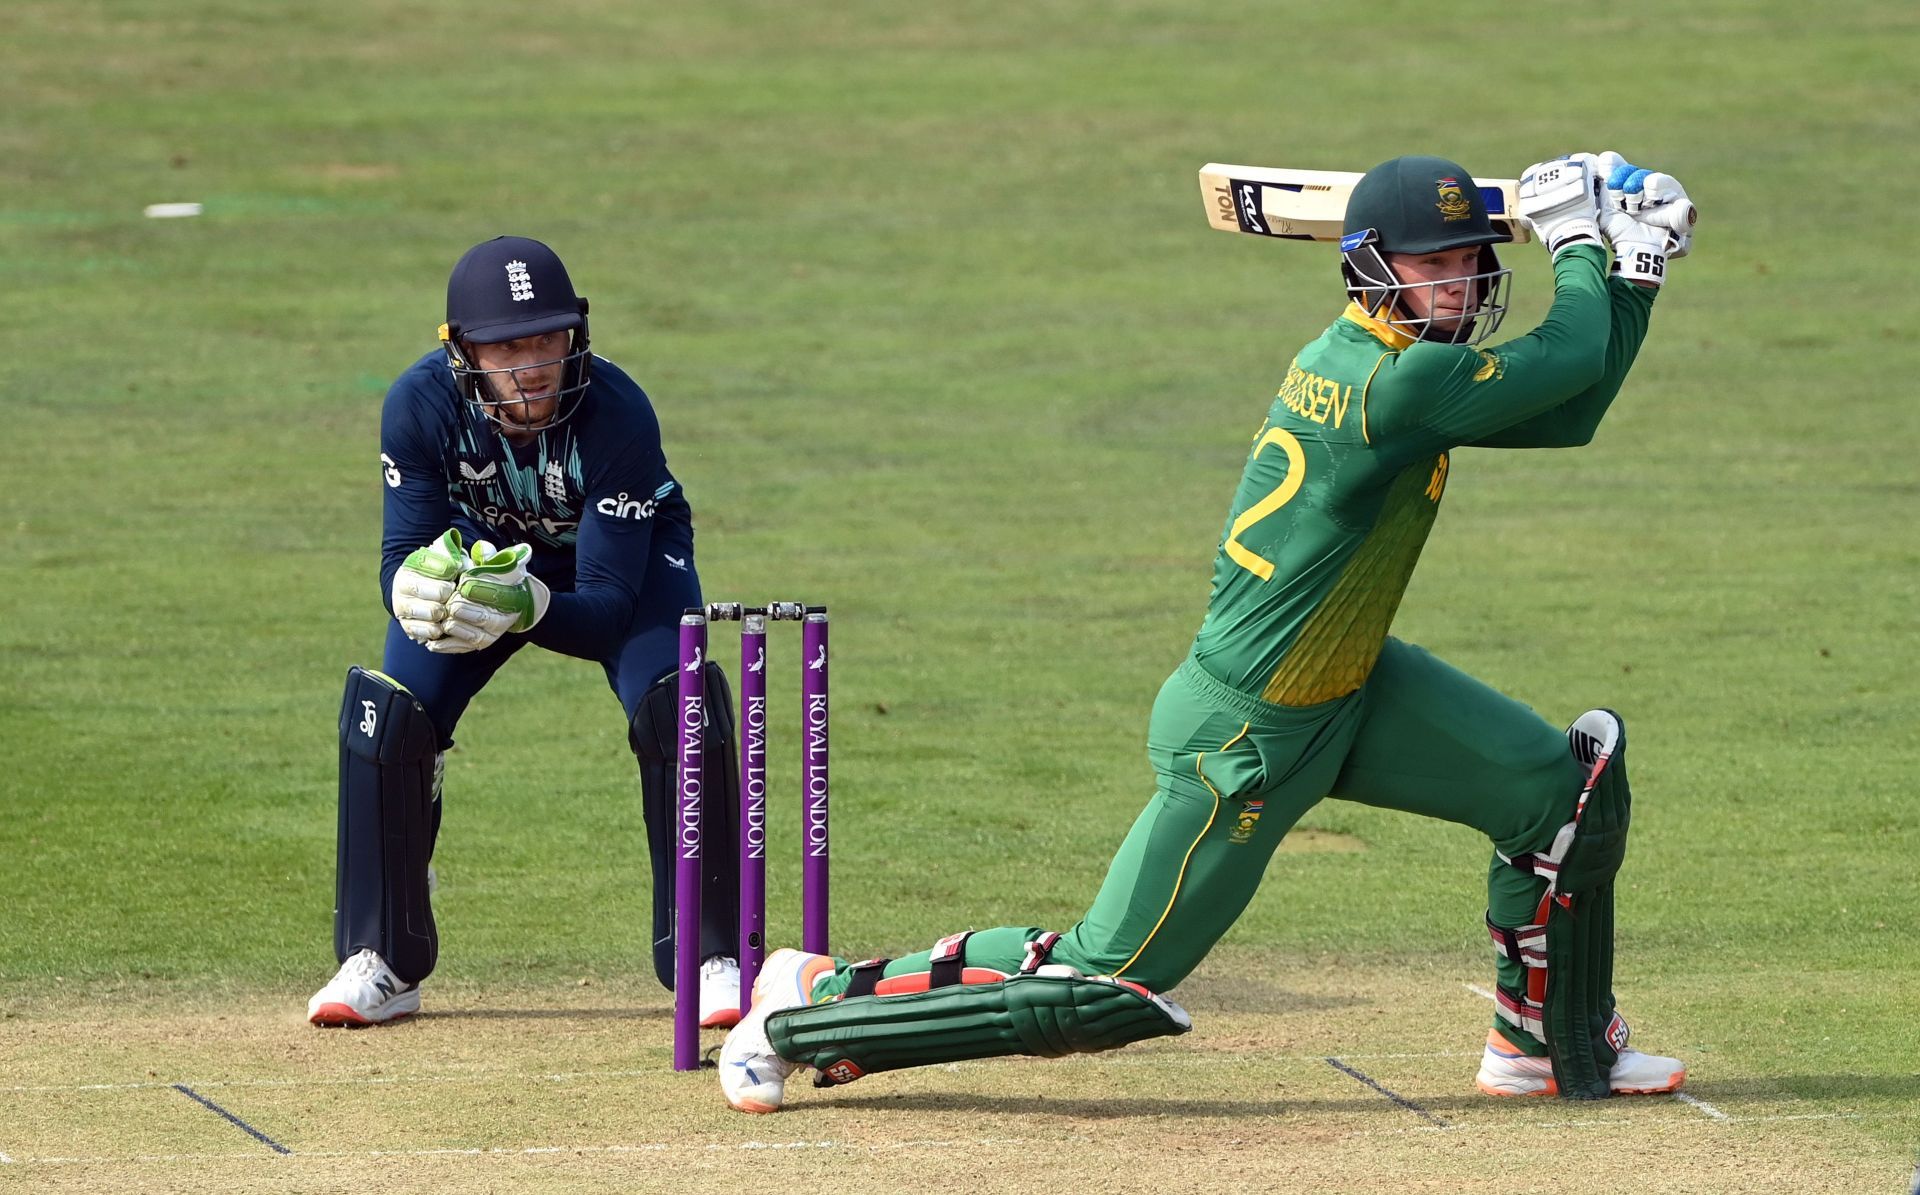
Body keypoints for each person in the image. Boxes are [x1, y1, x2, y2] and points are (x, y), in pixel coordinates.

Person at [717, 153, 1700, 1111]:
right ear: (1372, 267)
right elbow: (1567, 356)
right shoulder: (1394, 388)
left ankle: (1541, 1047)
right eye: (1431, 264)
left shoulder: (1405, 368)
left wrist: (1638, 264)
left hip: (1349, 689)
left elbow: (1572, 407)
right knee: (1099, 987)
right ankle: (802, 1014)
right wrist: (1583, 240)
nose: (1457, 283)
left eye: (1468, 262)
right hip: (1248, 733)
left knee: (1555, 794)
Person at [308, 236, 743, 1028]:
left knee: (677, 703)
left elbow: (607, 607)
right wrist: (416, 589)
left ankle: (711, 953)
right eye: (509, 345)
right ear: (463, 350)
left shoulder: (618, 413)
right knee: (395, 711)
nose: (533, 363)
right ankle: (384, 958)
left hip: (618, 566)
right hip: (486, 558)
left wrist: (528, 603)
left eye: (548, 338)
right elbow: (396, 562)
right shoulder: (417, 406)